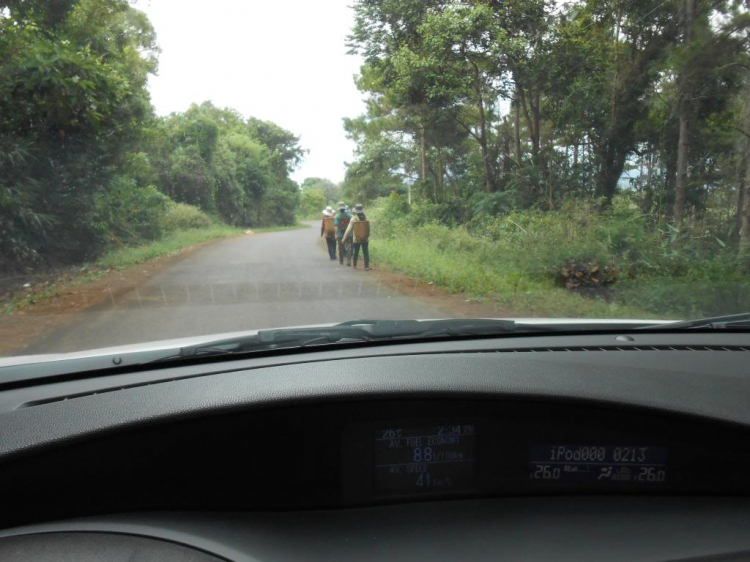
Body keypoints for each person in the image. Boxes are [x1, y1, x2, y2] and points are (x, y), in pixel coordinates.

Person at [343, 203, 370, 271]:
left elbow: (348, 230)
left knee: (356, 252)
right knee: (365, 252)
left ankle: (354, 265)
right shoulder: (366, 217)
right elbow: (368, 228)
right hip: (365, 238)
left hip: (356, 239)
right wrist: (367, 236)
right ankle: (366, 266)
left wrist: (343, 239)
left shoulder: (353, 219)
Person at [334, 202, 352, 266]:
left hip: (340, 235)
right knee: (348, 248)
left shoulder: (337, 216)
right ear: (344, 208)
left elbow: (336, 226)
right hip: (348, 234)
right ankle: (349, 260)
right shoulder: (350, 216)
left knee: (340, 248)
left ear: (339, 209)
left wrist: (335, 234)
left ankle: (341, 261)